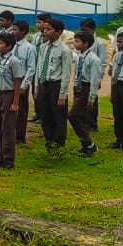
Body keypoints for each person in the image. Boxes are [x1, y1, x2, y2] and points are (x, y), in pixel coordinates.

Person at [0, 32, 25, 169]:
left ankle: (8, 160)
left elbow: (17, 82)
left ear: (9, 46)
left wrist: (15, 102)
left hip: (8, 94)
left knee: (8, 127)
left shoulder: (14, 61)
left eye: (0, 43)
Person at [35, 18, 72, 149]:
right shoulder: (43, 47)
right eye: (45, 28)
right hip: (44, 84)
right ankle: (49, 140)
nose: (45, 31)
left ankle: (58, 143)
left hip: (56, 85)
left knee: (58, 116)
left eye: (49, 29)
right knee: (45, 115)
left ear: (58, 32)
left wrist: (62, 95)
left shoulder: (64, 50)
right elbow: (39, 67)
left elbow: (66, 73)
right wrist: (37, 86)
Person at [68, 32, 101, 157]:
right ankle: (85, 146)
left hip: (86, 89)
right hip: (79, 88)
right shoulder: (79, 57)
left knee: (73, 116)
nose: (74, 43)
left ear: (86, 43)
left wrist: (91, 98)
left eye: (77, 41)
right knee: (81, 117)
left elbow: (94, 79)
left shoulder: (93, 59)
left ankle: (89, 144)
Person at [10, 20, 36, 143]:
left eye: (15, 29)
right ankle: (10, 132)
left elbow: (31, 68)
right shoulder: (10, 45)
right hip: (9, 81)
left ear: (23, 31)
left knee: (21, 110)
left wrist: (24, 85)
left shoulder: (29, 48)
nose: (12, 32)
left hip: (21, 81)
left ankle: (20, 136)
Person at [79, 18, 105, 132]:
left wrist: (99, 79)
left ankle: (92, 123)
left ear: (93, 29)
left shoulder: (99, 43)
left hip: (93, 75)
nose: (83, 33)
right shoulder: (81, 42)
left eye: (86, 30)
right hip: (82, 75)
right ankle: (83, 121)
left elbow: (102, 62)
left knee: (92, 98)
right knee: (81, 99)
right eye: (82, 30)